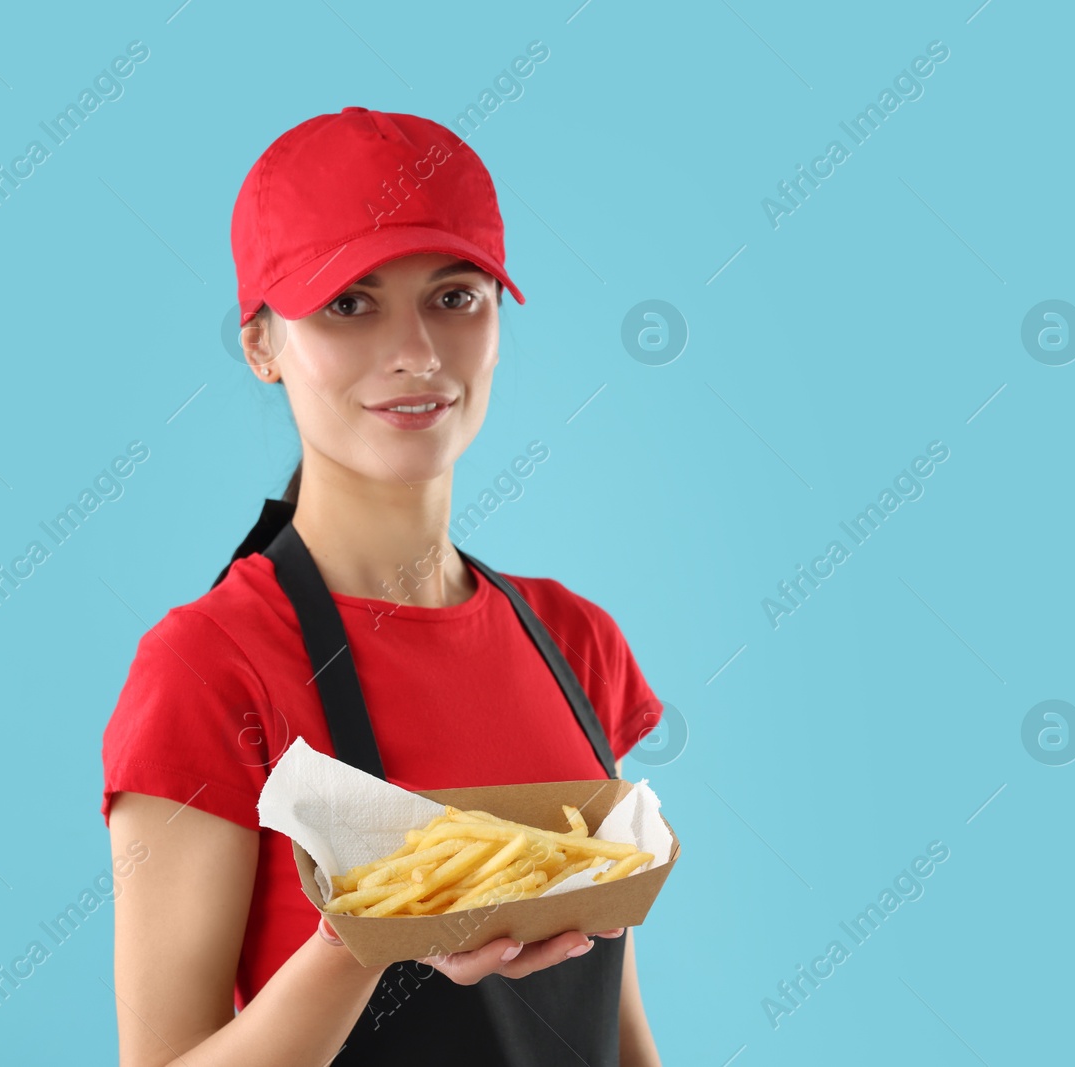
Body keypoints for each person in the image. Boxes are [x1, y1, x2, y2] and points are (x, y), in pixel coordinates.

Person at [100, 107, 666, 1066]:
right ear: (262, 344)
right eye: (349, 304)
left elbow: (614, 1025)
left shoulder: (576, 641)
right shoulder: (210, 668)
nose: (418, 352)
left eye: (455, 296)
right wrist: (364, 934)